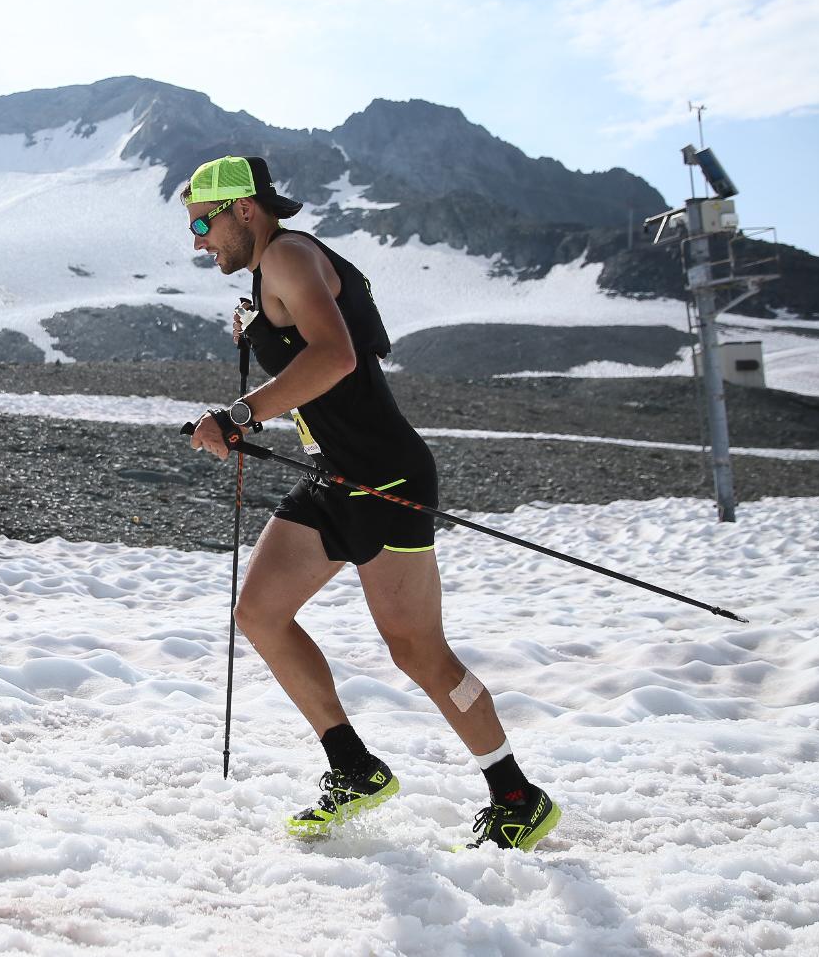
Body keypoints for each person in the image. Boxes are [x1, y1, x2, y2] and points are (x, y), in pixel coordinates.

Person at [183, 154, 560, 851]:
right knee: (261, 613)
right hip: (336, 478)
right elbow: (313, 346)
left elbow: (337, 357)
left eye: (204, 222)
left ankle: (517, 795)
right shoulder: (278, 272)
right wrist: (260, 330)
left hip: (385, 480)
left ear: (244, 209)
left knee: (418, 651)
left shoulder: (291, 256)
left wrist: (240, 414)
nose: (199, 240)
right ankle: (352, 766)